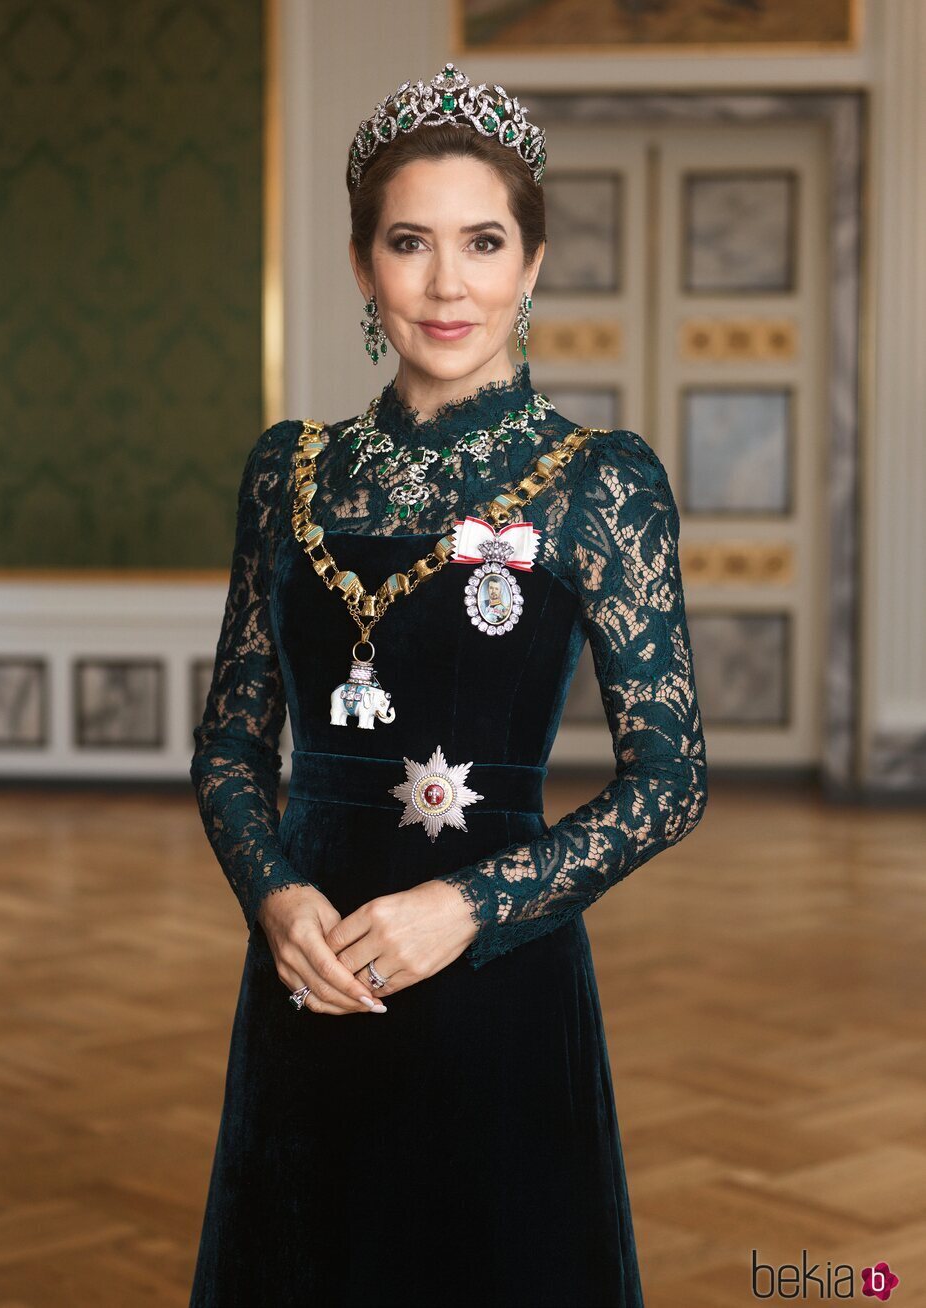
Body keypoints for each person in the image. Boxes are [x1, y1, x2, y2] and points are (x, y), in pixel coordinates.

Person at [187, 63, 708, 1308]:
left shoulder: (598, 480)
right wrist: (272, 899)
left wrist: (464, 911)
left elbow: (670, 780)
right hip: (310, 970)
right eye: (407, 242)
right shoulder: (290, 472)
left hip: (497, 974)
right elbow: (225, 750)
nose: (445, 283)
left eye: (481, 242)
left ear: (529, 265)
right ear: (364, 263)